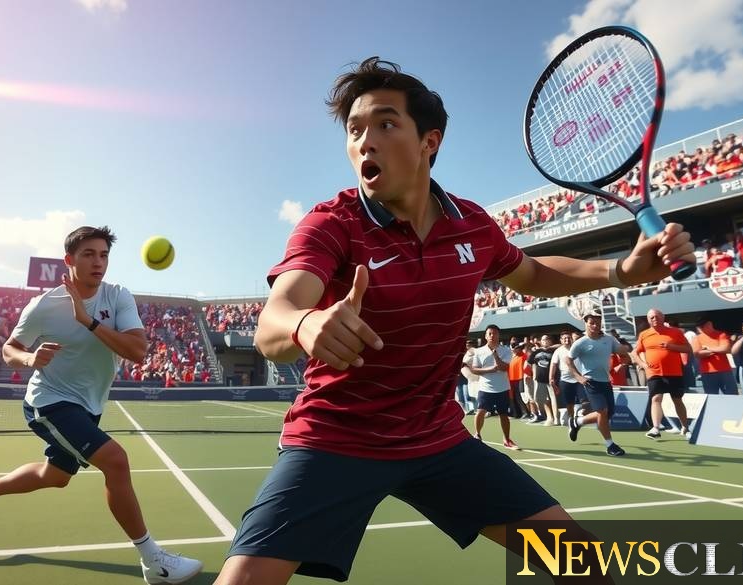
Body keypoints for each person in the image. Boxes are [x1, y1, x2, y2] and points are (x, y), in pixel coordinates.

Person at [214, 57, 692, 585]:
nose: (364, 142)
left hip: (437, 440)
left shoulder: (473, 225)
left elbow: (532, 274)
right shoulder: (332, 223)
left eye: (385, 123)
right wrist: (306, 325)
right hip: (336, 437)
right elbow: (272, 322)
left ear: (429, 142)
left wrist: (619, 270)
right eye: (354, 131)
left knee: (587, 567)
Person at [0, 226, 202, 585]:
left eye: (104, 255)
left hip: (88, 405)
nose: (98, 262)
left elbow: (137, 352)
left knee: (55, 476)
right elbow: (9, 349)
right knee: (116, 461)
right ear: (69, 260)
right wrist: (29, 359)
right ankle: (154, 561)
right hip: (49, 401)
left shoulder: (118, 296)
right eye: (89, 254)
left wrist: (87, 320)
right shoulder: (44, 305)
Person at [565, 313, 628, 456]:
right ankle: (610, 445)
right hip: (590, 381)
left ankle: (577, 422)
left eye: (598, 323)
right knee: (602, 412)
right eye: (592, 323)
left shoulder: (609, 339)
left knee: (608, 413)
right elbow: (568, 360)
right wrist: (578, 377)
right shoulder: (580, 343)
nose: (595, 326)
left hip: (606, 381)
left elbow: (620, 350)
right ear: (585, 324)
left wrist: (629, 349)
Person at [633, 309, 693, 438]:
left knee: (677, 400)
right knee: (656, 398)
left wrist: (671, 347)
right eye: (651, 317)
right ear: (648, 320)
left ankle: (685, 427)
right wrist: (643, 365)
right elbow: (635, 353)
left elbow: (688, 349)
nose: (654, 319)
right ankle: (655, 428)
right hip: (654, 373)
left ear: (663, 318)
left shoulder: (675, 332)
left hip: (674, 372)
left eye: (657, 316)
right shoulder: (644, 334)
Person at [467, 325, 518, 447]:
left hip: (502, 388)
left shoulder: (506, 350)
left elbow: (504, 368)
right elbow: (474, 369)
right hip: (485, 388)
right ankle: (477, 435)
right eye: (489, 333)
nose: (492, 336)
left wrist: (495, 356)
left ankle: (506, 439)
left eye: (494, 333)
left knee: (503, 414)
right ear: (485, 336)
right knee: (480, 412)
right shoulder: (479, 351)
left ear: (498, 335)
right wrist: (491, 369)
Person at [691, 317, 739, 395]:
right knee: (711, 396)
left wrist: (707, 349)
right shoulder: (697, 338)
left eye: (703, 326)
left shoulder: (721, 335)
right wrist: (717, 350)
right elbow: (697, 354)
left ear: (710, 324)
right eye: (700, 327)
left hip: (724, 371)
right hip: (707, 372)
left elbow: (726, 349)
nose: (701, 329)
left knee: (732, 394)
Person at [549, 330, 583, 428]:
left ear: (572, 339)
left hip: (579, 379)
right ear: (561, 340)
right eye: (564, 338)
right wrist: (551, 378)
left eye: (569, 338)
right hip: (565, 381)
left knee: (585, 402)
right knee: (569, 403)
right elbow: (553, 364)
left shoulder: (577, 348)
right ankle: (571, 420)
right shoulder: (558, 351)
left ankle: (581, 419)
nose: (567, 340)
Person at [527, 334, 558, 425]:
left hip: (552, 379)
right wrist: (529, 375)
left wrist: (550, 347)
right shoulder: (536, 352)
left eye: (547, 339)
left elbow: (561, 345)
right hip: (539, 379)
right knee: (542, 399)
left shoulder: (554, 350)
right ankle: (549, 417)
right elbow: (528, 363)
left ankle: (556, 418)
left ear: (550, 341)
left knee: (554, 399)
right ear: (540, 341)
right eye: (543, 339)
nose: (545, 341)